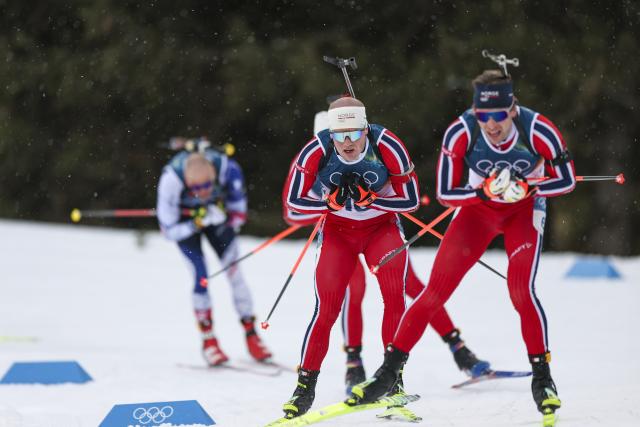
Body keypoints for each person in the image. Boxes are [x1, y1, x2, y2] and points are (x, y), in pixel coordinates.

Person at [350, 69, 576, 422]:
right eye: (483, 116)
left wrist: (530, 187)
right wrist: (484, 191)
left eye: (498, 116)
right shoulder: (462, 130)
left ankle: (543, 379)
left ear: (512, 109)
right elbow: (445, 192)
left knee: (520, 290)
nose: (491, 125)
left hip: (523, 213)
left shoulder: (537, 129)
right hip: (477, 212)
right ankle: (387, 373)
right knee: (434, 292)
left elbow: (566, 179)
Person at [279, 96, 420, 419]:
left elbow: (411, 200)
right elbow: (293, 203)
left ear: (365, 130)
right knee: (326, 310)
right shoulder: (317, 148)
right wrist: (329, 204)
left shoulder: (387, 144)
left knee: (394, 300)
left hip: (381, 231)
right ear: (330, 134)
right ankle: (304, 389)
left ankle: (393, 382)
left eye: (354, 134)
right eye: (340, 136)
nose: (347, 143)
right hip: (338, 235)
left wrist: (374, 200)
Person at [156, 138, 272, 366]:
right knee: (201, 277)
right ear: (187, 182)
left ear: (213, 175)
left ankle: (252, 335)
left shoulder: (228, 169)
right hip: (185, 226)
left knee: (235, 274)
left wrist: (227, 217)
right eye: (195, 188)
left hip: (218, 222)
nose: (202, 192)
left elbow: (239, 213)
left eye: (207, 186)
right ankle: (209, 341)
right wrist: (195, 224)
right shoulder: (170, 180)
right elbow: (168, 231)